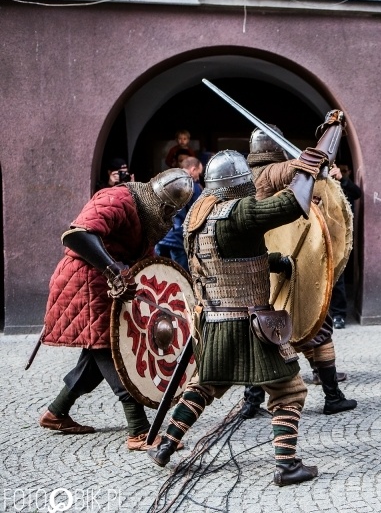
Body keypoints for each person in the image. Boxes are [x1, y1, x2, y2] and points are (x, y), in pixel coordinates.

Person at [148, 116, 345, 487]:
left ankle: (165, 446)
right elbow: (294, 204)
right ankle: (287, 466)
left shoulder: (198, 214)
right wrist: (313, 163)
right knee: (290, 391)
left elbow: (224, 259)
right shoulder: (241, 213)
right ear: (240, 184)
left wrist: (276, 262)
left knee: (204, 385)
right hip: (249, 325)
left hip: (211, 322)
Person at [39, 169, 194, 450]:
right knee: (114, 350)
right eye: (167, 208)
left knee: (94, 354)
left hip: (109, 284)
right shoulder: (118, 199)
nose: (167, 213)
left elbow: (145, 262)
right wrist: (114, 269)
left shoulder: (148, 216)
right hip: (86, 280)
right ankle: (139, 430)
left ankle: (56, 412)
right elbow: (76, 235)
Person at [240, 125, 356, 417]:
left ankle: (250, 402)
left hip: (262, 268)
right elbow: (307, 164)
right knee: (318, 328)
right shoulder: (271, 174)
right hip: (288, 264)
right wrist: (328, 137)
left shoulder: (246, 178)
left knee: (262, 331)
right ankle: (332, 396)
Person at [155, 157, 203, 271]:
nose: (198, 177)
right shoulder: (192, 186)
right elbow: (197, 213)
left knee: (159, 274)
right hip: (177, 239)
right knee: (180, 277)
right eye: (198, 174)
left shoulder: (166, 181)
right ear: (193, 169)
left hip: (159, 236)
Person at [329, 163, 362, 329]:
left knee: (338, 278)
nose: (340, 172)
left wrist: (342, 179)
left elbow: (358, 193)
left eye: (344, 170)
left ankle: (339, 315)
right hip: (324, 236)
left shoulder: (346, 186)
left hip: (341, 239)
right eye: (338, 170)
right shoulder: (325, 183)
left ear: (348, 172)